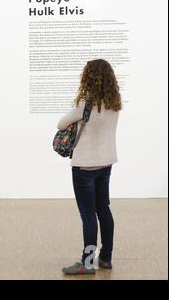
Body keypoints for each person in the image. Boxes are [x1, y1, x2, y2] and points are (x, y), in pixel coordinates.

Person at [58, 59, 122, 275]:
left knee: (88, 215)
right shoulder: (114, 103)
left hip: (84, 166)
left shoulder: (85, 103)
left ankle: (87, 263)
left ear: (88, 78)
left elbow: (60, 124)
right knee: (103, 209)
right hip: (106, 163)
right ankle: (106, 257)